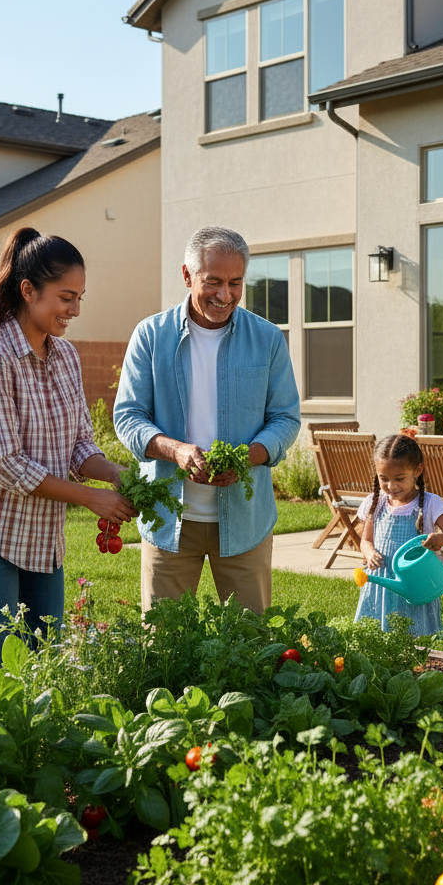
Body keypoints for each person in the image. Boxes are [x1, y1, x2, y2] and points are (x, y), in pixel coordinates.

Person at [0, 227, 134, 664]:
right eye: (66, 297)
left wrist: (116, 473)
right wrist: (91, 499)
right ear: (28, 290)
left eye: (80, 297)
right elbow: (8, 465)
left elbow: (80, 445)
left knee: (46, 670)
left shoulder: (66, 357)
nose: (75, 309)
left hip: (40, 542)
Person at [113, 225, 300, 615]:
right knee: (163, 640)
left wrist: (248, 456)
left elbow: (285, 418)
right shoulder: (151, 335)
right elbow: (129, 417)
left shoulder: (267, 339)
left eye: (235, 283)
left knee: (250, 639)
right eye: (213, 281)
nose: (225, 295)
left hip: (245, 523)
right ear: (187, 275)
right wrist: (177, 451)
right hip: (169, 520)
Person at [354, 434, 443, 635]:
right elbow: (366, 540)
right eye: (384, 478)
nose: (391, 486)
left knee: (416, 635)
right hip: (381, 584)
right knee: (377, 636)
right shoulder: (375, 502)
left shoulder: (431, 503)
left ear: (417, 471)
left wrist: (440, 539)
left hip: (416, 584)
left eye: (399, 478)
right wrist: (369, 553)